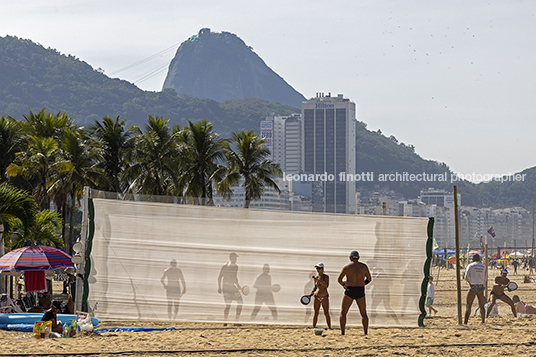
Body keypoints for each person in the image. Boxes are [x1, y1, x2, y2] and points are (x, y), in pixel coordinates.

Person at [338, 250, 371, 335]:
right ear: (358, 258)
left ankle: (342, 332)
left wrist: (344, 285)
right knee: (363, 313)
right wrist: (363, 283)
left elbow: (339, 280)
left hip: (350, 290)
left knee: (343, 313)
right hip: (360, 289)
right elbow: (369, 279)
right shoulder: (363, 266)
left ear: (350, 258)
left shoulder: (347, 267)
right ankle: (365, 332)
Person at [218, 252, 243, 321]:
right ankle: (236, 320)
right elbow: (234, 278)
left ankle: (225, 321)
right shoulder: (235, 267)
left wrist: (220, 287)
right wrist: (238, 286)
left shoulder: (224, 266)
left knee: (228, 305)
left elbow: (219, 277)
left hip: (225, 288)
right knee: (240, 302)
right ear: (231, 258)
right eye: (235, 258)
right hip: (232, 288)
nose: (235, 259)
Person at [463, 254, 487, 324]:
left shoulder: (470, 266)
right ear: (479, 259)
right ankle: (483, 321)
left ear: (473, 259)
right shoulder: (483, 266)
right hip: (480, 286)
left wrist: (470, 282)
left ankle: (465, 322)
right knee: (481, 305)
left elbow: (466, 277)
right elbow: (485, 278)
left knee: (468, 305)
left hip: (473, 285)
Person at [312, 263, 331, 329]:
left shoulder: (326, 277)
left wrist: (321, 282)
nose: (318, 270)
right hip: (316, 296)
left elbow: (327, 286)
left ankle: (329, 327)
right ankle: (314, 327)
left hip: (324, 296)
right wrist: (312, 292)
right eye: (317, 268)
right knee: (316, 312)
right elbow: (315, 287)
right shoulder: (316, 278)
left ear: (322, 268)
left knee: (326, 312)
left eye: (319, 268)